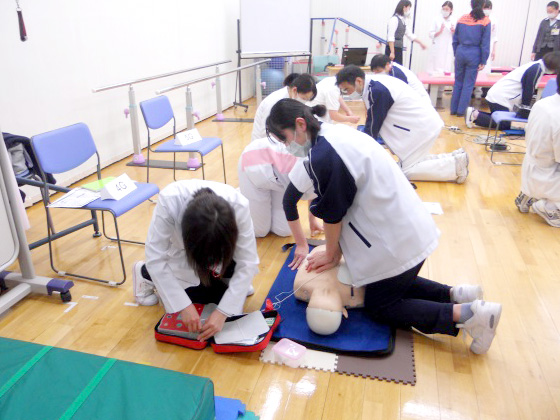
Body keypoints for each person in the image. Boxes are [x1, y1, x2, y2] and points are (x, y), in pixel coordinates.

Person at [266, 99, 502, 354]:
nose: (287, 147)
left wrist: (332, 253)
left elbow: (333, 214)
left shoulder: (325, 154)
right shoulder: (336, 134)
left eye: (285, 139)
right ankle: (455, 294)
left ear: (300, 124)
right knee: (384, 282)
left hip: (396, 238)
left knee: (380, 304)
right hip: (408, 225)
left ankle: (469, 315)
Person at [133, 180, 259, 341]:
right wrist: (183, 306)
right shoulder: (169, 201)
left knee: (225, 303)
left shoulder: (239, 205)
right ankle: (144, 273)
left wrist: (223, 312)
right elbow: (155, 258)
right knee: (200, 302)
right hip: (180, 254)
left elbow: (248, 261)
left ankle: (224, 276)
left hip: (216, 248)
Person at [336, 65, 469, 183]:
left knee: (407, 171)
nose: (347, 94)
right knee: (409, 163)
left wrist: (356, 152)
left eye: (347, 89)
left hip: (421, 126)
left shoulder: (376, 90)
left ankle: (456, 167)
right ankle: (455, 158)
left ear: (358, 81)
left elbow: (373, 126)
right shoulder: (374, 85)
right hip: (421, 123)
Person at [238, 137, 322, 237]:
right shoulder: (310, 167)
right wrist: (301, 244)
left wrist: (312, 220)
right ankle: (235, 195)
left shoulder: (324, 171)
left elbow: (314, 192)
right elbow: (289, 202)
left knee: (283, 231)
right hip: (253, 165)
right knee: (259, 231)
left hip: (280, 179)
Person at [465, 52, 560, 129]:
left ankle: (474, 113)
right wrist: (525, 108)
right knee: (504, 124)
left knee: (501, 118)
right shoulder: (536, 69)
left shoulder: (537, 66)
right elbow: (528, 89)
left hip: (498, 95)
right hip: (500, 97)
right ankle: (474, 114)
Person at [515, 75, 560, 228]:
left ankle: (530, 195)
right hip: (547, 175)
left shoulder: (542, 103)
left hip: (530, 167)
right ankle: (549, 207)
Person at [450, 0, 491, 117]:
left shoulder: (462, 18)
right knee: (468, 84)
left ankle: (453, 110)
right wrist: (483, 60)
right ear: (483, 5)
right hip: (474, 53)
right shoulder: (485, 21)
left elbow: (455, 39)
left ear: (471, 4)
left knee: (458, 82)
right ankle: (460, 112)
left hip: (460, 51)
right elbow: (485, 43)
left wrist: (456, 53)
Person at [251, 73, 317, 141]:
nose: (304, 102)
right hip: (264, 143)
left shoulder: (291, 100)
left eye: (307, 100)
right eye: (304, 98)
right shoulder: (274, 101)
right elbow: (265, 132)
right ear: (294, 90)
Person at [386, 0, 427, 65]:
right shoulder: (394, 19)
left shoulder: (403, 21)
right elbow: (390, 37)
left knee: (398, 70)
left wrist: (421, 43)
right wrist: (392, 52)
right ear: (404, 7)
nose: (409, 10)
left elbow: (410, 35)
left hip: (398, 49)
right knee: (392, 70)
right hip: (392, 49)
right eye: (409, 8)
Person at [474, 1, 498, 99]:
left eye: (489, 8)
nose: (487, 10)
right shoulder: (479, 18)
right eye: (485, 7)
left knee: (486, 68)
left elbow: (495, 37)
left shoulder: (494, 20)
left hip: (489, 46)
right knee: (477, 68)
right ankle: (475, 90)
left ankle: (481, 92)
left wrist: (494, 51)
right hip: (479, 46)